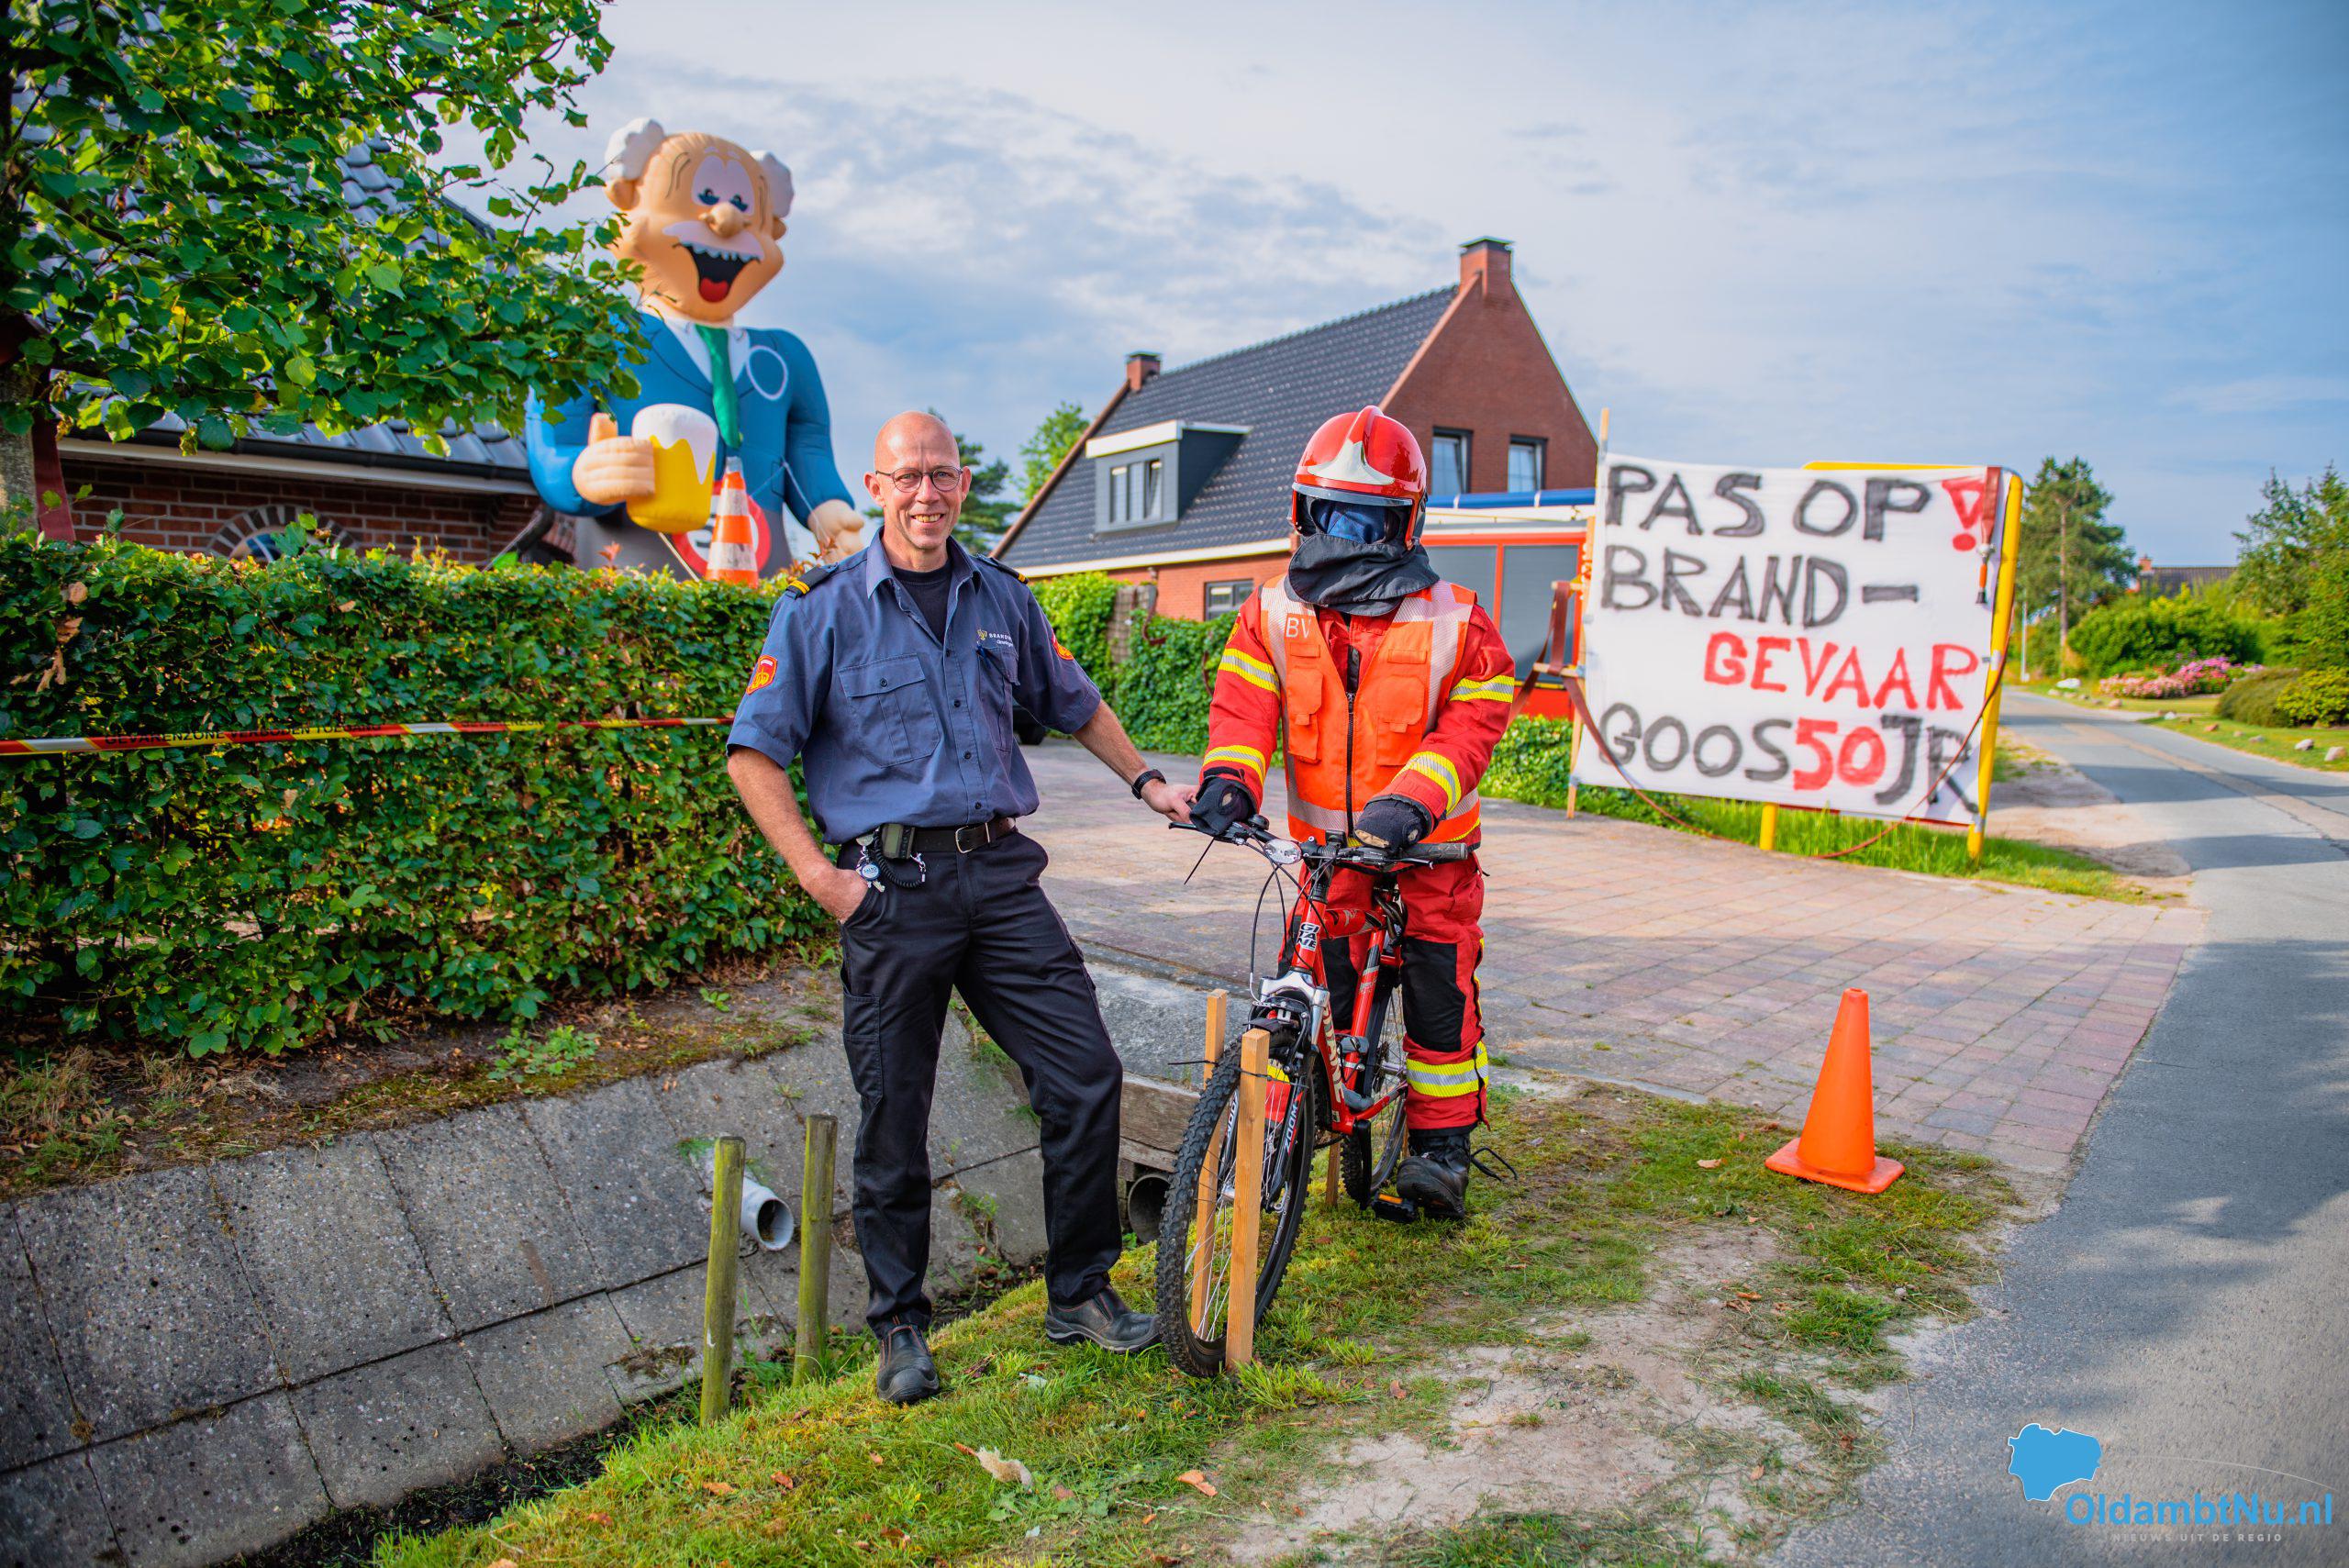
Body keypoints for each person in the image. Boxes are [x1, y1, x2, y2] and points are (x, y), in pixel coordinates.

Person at [726, 411, 1196, 1406]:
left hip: (999, 877)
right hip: (889, 893)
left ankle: (1078, 1291)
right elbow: (753, 753)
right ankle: (901, 1326)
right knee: (894, 1115)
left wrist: (1149, 781)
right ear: (874, 485)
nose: (927, 493)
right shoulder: (817, 610)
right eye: (908, 476)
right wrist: (822, 878)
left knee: (1084, 1076)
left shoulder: (1002, 599)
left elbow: (1072, 698)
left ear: (964, 482)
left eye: (943, 475)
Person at [1190, 406, 1518, 1220]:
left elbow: (1474, 724)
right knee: (1318, 987)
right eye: (1334, 515)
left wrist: (1412, 800)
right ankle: (1284, 1132)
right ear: (1304, 513)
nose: (1348, 534)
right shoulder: (1269, 613)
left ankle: (1441, 1152)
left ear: (1403, 522)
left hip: (1430, 859)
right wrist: (1230, 779)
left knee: (1440, 1006)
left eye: (1367, 519)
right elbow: (1242, 708)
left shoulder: (1458, 621)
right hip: (1327, 860)